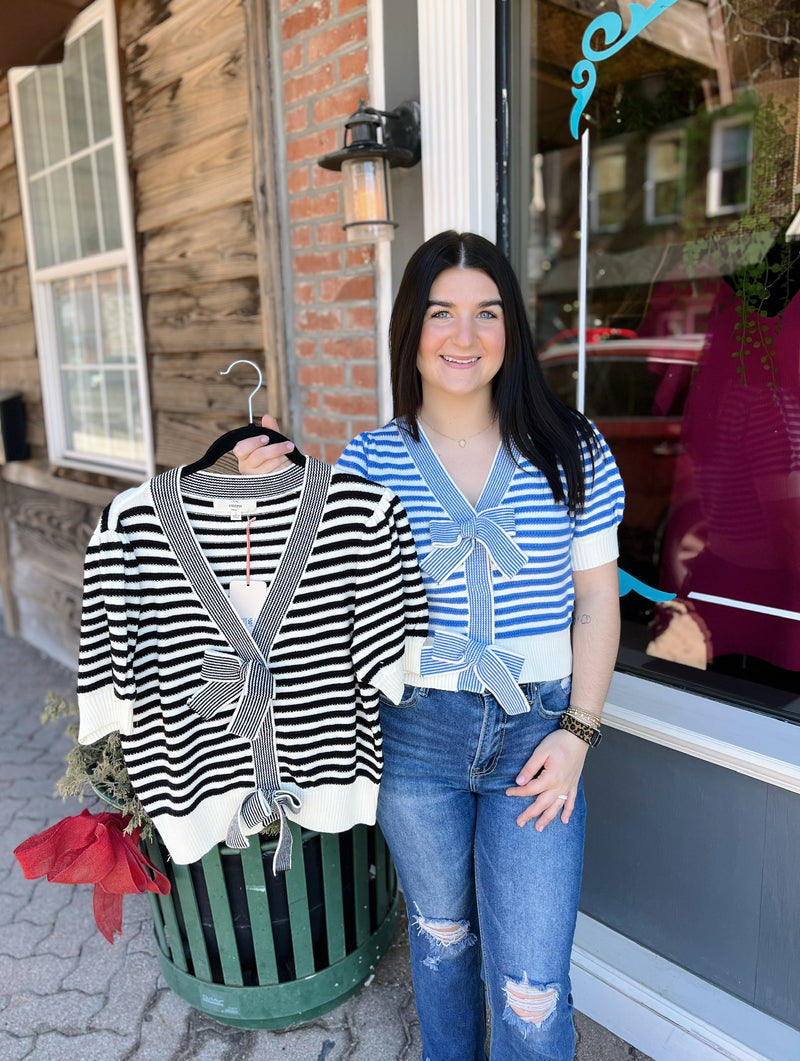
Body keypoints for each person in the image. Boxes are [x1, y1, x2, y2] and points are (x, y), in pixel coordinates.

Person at [235, 230, 624, 1061]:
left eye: (487, 312)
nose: (464, 334)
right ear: (412, 329)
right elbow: (314, 604)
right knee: (442, 938)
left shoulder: (571, 448)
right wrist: (261, 508)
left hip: (537, 734)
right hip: (414, 737)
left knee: (531, 991)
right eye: (441, 312)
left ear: (511, 331)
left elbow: (596, 598)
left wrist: (579, 731)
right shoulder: (371, 463)